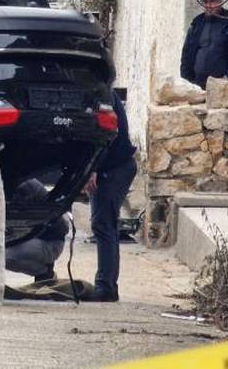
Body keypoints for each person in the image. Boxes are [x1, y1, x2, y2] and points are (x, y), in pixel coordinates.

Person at [84, 93, 137, 302]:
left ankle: (105, 287)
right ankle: (107, 287)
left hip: (116, 167)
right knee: (105, 224)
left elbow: (106, 134)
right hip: (114, 165)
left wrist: (94, 168)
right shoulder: (101, 91)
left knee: (103, 224)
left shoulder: (103, 95)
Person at [180, 0, 228, 89]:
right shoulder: (197, 24)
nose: (209, 5)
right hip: (197, 86)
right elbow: (187, 53)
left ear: (221, 2)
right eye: (206, 2)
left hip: (224, 86)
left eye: (213, 1)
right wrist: (186, 79)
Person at [5, 180, 70, 283]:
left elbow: (63, 227)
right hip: (29, 238)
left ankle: (44, 272)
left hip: (50, 242)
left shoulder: (25, 187)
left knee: (3, 256)